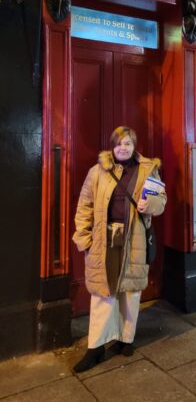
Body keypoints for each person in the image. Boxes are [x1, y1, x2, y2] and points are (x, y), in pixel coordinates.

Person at [72, 126, 167, 373]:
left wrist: (151, 204)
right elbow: (85, 205)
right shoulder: (97, 172)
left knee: (130, 291)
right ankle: (96, 346)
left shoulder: (148, 170)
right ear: (111, 146)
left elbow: (162, 200)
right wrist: (83, 238)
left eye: (127, 143)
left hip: (133, 238)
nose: (122, 148)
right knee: (103, 291)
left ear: (135, 146)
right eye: (118, 144)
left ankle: (127, 338)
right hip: (105, 240)